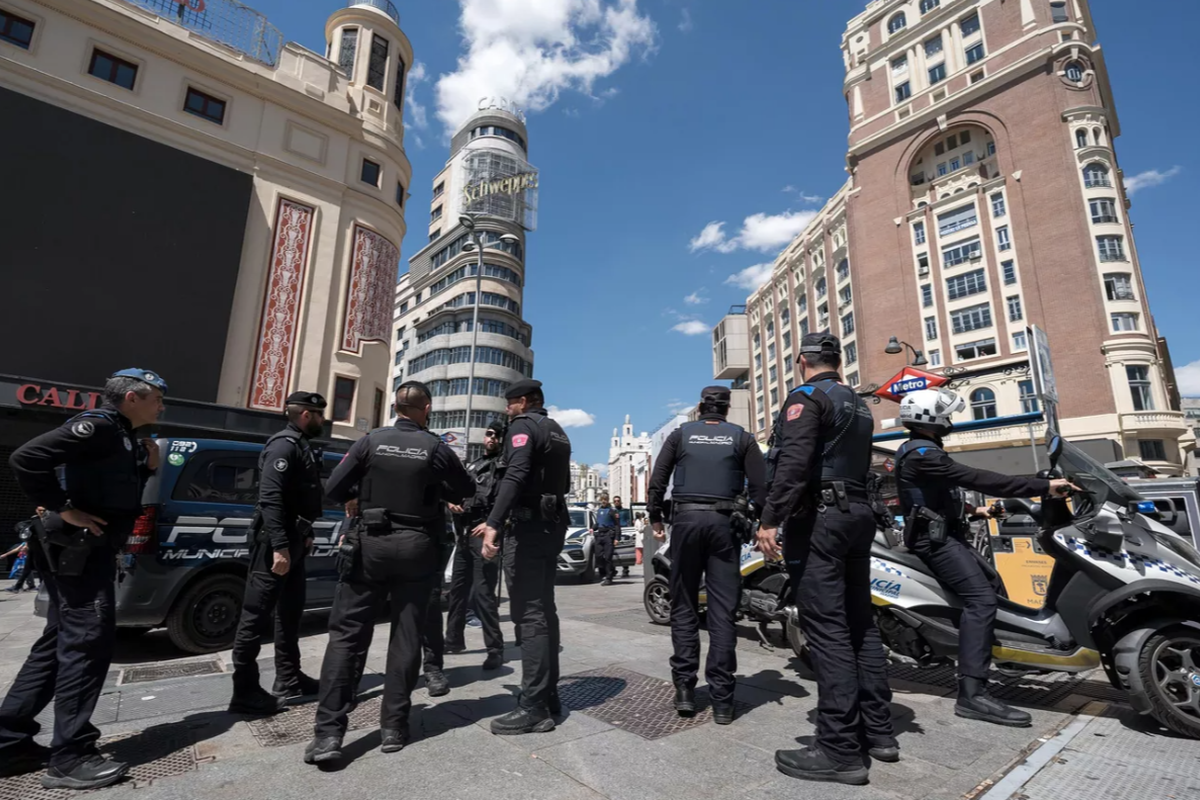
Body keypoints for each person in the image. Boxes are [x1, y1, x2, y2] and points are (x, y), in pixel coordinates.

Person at [0, 369, 165, 790]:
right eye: (156, 398)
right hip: (80, 550)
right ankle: (70, 757)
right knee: (87, 642)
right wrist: (64, 508)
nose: (161, 406)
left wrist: (147, 469)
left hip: (84, 551)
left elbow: (112, 488)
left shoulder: (124, 435)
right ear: (131, 397)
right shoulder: (97, 427)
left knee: (58, 642)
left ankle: (9, 740)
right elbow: (26, 458)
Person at [305, 382, 474, 765]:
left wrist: (356, 495)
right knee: (406, 636)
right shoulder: (435, 447)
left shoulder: (369, 442)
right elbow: (466, 488)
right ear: (425, 409)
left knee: (346, 637)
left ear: (396, 406)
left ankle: (329, 734)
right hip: (416, 549)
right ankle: (394, 728)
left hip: (369, 546)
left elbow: (332, 488)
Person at [756, 334, 896, 786]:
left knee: (827, 628)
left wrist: (770, 520)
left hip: (820, 520)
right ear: (838, 360)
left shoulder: (807, 397)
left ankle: (839, 750)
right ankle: (878, 732)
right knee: (860, 623)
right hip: (856, 515)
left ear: (801, 361)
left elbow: (794, 463)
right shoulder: (857, 403)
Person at [895, 388, 1076, 727]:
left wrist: (977, 510)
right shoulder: (922, 453)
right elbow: (975, 477)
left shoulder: (925, 450)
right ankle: (971, 694)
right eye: (945, 415)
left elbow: (938, 494)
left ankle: (1008, 654)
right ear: (928, 417)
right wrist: (1041, 486)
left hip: (946, 534)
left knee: (992, 584)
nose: (949, 421)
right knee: (980, 601)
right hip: (934, 542)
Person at [647, 386, 766, 724]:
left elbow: (658, 481)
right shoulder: (742, 438)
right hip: (724, 525)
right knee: (722, 612)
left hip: (685, 522)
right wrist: (765, 525)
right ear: (727, 410)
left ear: (700, 408)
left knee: (684, 605)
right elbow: (760, 488)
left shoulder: (680, 435)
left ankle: (685, 690)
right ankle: (723, 701)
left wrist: (656, 518)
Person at [472, 379, 572, 735]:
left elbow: (515, 475)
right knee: (545, 609)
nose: (507, 409)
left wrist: (494, 524)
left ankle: (533, 707)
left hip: (528, 528)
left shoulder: (523, 427)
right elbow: (564, 485)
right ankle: (548, 694)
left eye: (511, 402)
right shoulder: (557, 430)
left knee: (529, 614)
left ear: (526, 401)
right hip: (551, 524)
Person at [229, 392, 327, 716]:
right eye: (318, 414)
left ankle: (288, 678)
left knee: (290, 614)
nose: (322, 420)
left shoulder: (299, 444)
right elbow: (270, 498)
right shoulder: (283, 445)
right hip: (274, 546)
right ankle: (244, 691)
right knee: (254, 619)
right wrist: (281, 548)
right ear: (304, 415)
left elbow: (300, 498)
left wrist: (306, 534)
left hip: (294, 543)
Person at [444, 419, 508, 671]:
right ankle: (453, 640)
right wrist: (451, 502)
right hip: (463, 531)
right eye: (488, 434)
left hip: (484, 534)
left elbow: (506, 500)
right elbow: (456, 489)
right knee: (458, 590)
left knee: (483, 594)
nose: (491, 438)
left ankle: (495, 649)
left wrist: (492, 524)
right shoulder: (475, 463)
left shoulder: (504, 467)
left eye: (496, 435)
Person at [593, 494, 619, 586]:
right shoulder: (599, 511)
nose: (603, 501)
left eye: (605, 499)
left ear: (608, 500)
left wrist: (616, 538)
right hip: (599, 535)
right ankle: (611, 570)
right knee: (598, 556)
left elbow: (617, 525)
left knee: (608, 557)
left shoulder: (612, 511)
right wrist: (593, 528)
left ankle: (609, 578)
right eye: (602, 499)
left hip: (608, 535)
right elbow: (598, 523)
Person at [613, 495, 630, 577]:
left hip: (624, 531)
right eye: (615, 501)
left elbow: (629, 520)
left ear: (620, 501)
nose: (616, 502)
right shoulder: (612, 511)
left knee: (624, 549)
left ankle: (625, 568)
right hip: (615, 532)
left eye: (618, 501)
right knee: (614, 550)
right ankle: (613, 569)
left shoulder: (625, 511)